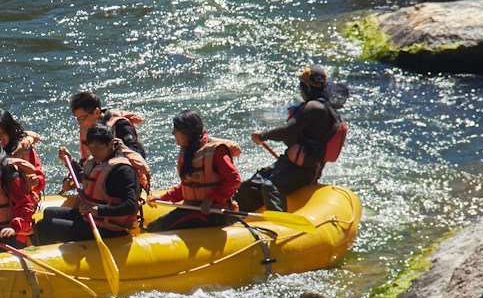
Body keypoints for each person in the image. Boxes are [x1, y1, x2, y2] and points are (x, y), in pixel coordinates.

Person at [234, 66, 350, 213]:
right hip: (291, 164)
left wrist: (262, 136)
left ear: (305, 87)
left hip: (305, 170)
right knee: (252, 185)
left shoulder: (314, 108)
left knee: (270, 186)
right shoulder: (322, 107)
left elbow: (288, 131)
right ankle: (236, 219)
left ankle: (278, 227)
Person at [35, 124, 142, 244]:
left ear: (111, 144)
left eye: (98, 147)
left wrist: (99, 210)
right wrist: (70, 162)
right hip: (90, 218)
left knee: (44, 225)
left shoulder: (122, 170)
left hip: (109, 229)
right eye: (90, 147)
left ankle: (50, 257)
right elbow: (87, 179)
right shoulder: (98, 161)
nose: (94, 152)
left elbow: (131, 206)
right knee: (49, 212)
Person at [146, 111, 242, 232]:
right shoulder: (187, 152)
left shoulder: (216, 151)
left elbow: (234, 180)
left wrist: (210, 199)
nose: (173, 133)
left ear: (188, 132)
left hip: (213, 213)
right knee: (154, 226)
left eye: (176, 129)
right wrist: (163, 198)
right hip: (194, 209)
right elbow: (189, 187)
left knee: (158, 227)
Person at [0, 108, 46, 197]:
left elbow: (39, 177)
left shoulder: (24, 148)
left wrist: (36, 181)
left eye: (3, 133)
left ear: (10, 132)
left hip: (21, 200)